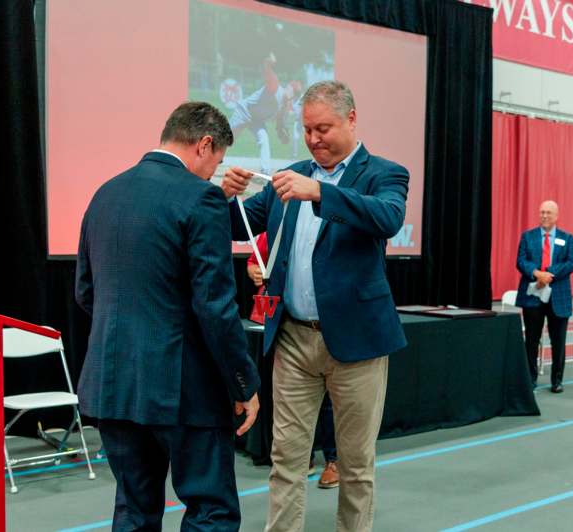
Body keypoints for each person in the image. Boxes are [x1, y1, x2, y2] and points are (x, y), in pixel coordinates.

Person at [222, 80, 409, 532]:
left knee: (355, 464)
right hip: (292, 338)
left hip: (358, 343)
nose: (313, 139)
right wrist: (226, 195)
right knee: (286, 458)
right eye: (307, 129)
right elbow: (238, 224)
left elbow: (387, 217)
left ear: (351, 118)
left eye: (323, 128)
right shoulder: (291, 175)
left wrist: (321, 193)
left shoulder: (385, 173)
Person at [75, 101, 260, 531]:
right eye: (217, 163)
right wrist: (242, 381)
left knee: (134, 510)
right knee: (211, 511)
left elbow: (87, 292)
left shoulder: (106, 193)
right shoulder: (203, 199)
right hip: (184, 390)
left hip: (114, 384)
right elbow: (214, 305)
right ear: (204, 145)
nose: (214, 173)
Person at [246, 232, 339, 488]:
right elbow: (254, 261)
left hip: (331, 326)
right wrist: (255, 271)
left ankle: (334, 460)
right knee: (291, 403)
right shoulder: (273, 230)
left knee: (330, 403)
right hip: (283, 324)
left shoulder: (333, 222)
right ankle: (303, 458)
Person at [515, 200, 573, 393]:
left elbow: (571, 262)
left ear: (556, 216)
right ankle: (530, 379)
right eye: (542, 212)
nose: (544, 216)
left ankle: (557, 381)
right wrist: (536, 273)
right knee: (531, 340)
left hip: (558, 296)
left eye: (548, 213)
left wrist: (549, 274)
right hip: (533, 295)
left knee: (558, 340)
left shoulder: (568, 239)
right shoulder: (528, 237)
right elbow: (520, 261)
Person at [228, 53, 302, 175]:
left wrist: (281, 132)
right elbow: (268, 74)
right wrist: (268, 63)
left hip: (257, 120)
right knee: (227, 138)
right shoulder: (275, 88)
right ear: (288, 87)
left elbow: (279, 123)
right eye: (292, 89)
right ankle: (210, 156)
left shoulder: (284, 107)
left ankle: (265, 172)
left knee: (264, 139)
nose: (292, 93)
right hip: (244, 111)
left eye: (295, 93)